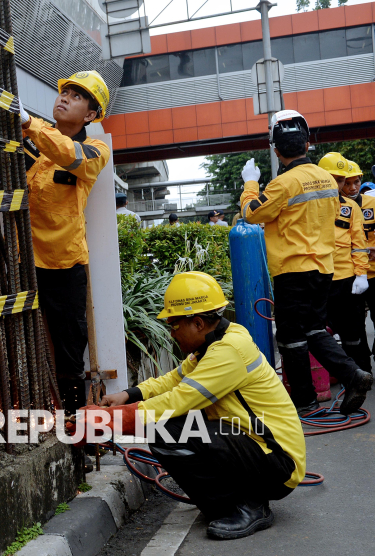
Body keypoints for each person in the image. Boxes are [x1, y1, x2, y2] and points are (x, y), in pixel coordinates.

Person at [74, 273, 306, 540]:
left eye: (174, 325)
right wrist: (130, 394)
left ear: (197, 323)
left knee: (167, 429)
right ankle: (230, 502)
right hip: (255, 445)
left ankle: (249, 506)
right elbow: (174, 379)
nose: (172, 334)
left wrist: (107, 420)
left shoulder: (227, 351)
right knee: (170, 428)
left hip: (277, 462)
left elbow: (178, 400)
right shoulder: (216, 341)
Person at [239, 110, 372, 415]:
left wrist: (250, 184)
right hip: (324, 269)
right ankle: (353, 374)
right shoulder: (327, 179)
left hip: (293, 271)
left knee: (290, 337)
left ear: (275, 149)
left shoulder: (282, 185)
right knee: (312, 329)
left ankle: (306, 403)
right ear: (308, 143)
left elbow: (251, 213)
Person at [18, 70, 111, 414]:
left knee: (70, 353)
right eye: (64, 91)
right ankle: (35, 417)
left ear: (90, 114)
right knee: (25, 346)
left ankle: (73, 425)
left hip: (64, 266)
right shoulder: (37, 139)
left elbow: (69, 155)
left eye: (75, 96)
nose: (64, 97)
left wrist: (30, 124)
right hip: (24, 261)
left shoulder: (94, 150)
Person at [319, 155, 371, 373]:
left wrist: (361, 274)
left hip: (346, 280)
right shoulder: (309, 206)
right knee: (322, 332)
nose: (345, 186)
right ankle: (344, 373)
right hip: (318, 279)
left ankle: (361, 372)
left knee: (354, 331)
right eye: (339, 179)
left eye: (346, 180)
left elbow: (359, 244)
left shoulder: (350, 208)